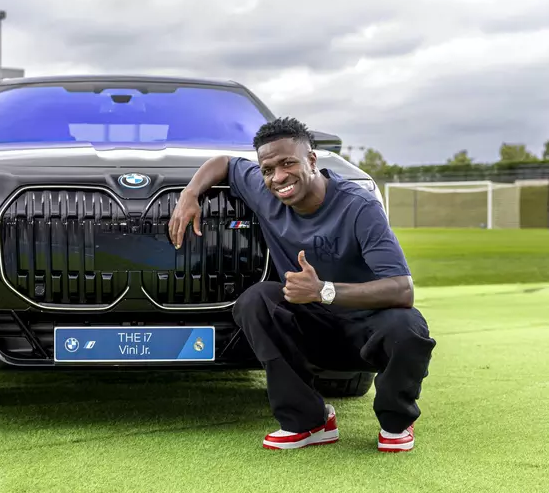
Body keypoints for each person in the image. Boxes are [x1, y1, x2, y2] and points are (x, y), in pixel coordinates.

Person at [168, 117, 436, 453]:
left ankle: (396, 422)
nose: (278, 177)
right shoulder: (267, 191)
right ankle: (310, 422)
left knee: (407, 326)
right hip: (311, 329)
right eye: (268, 169)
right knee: (257, 301)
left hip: (365, 329)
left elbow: (403, 290)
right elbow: (223, 162)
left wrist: (324, 290)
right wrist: (190, 193)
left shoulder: (358, 206)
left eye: (287, 163)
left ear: (311, 160)